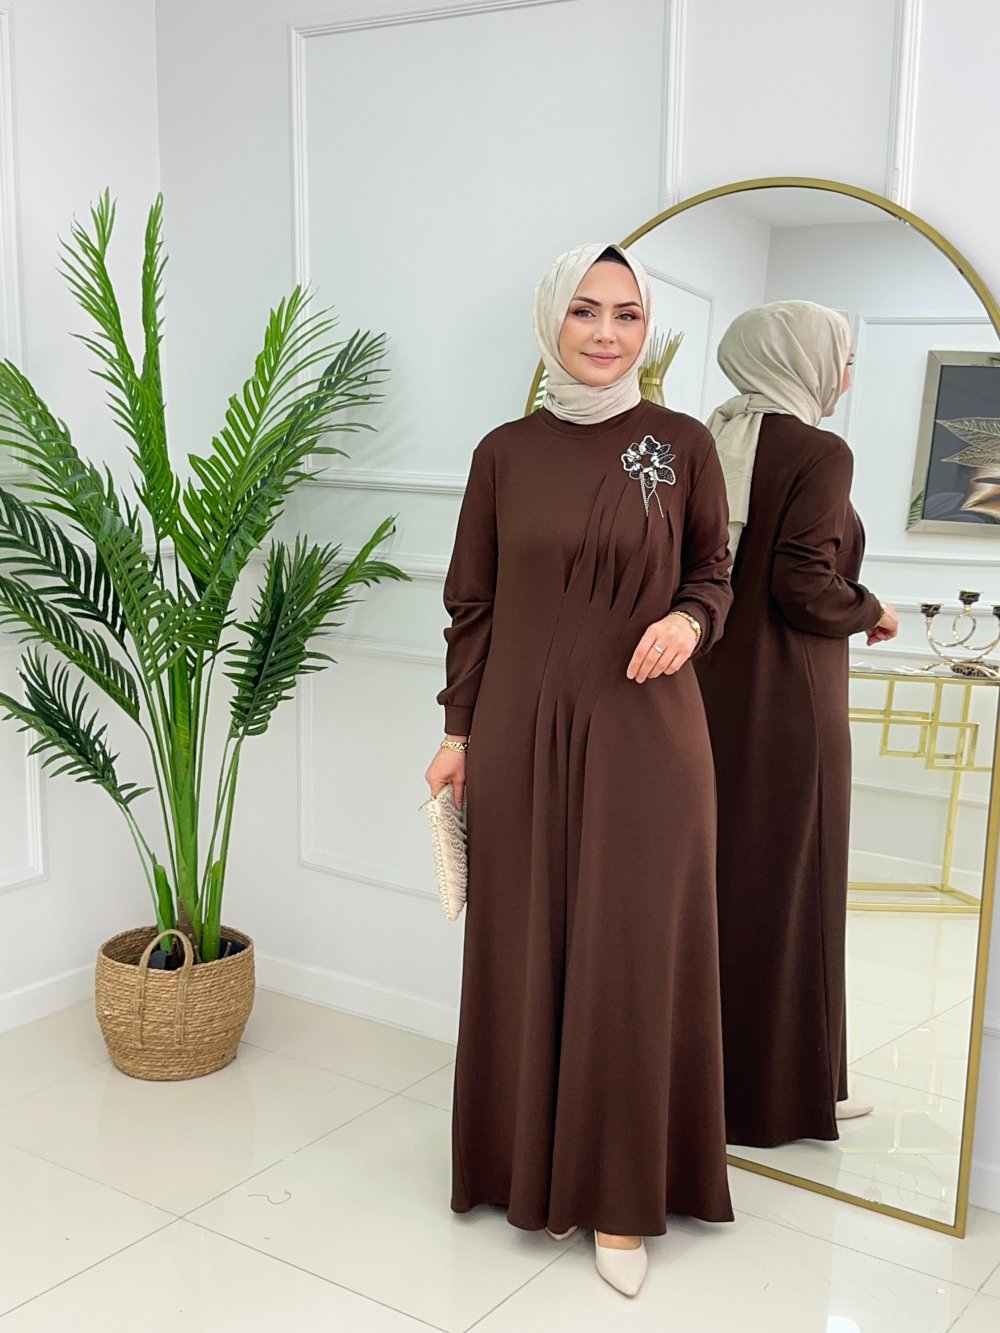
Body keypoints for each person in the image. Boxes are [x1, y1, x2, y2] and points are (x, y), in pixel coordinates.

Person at [424, 243, 734, 1298]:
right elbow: (472, 604)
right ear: (552, 319)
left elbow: (714, 570)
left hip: (647, 735)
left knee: (631, 953)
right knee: (523, 942)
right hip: (518, 734)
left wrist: (690, 622)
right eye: (586, 311)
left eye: (628, 315)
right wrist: (459, 733)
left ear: (647, 328)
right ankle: (516, 1164)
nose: (607, 333)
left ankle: (619, 1193)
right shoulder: (503, 452)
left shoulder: (683, 444)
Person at [695, 300, 899, 1150]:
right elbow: (803, 585)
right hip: (790, 701)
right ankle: (782, 1094)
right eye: (842, 358)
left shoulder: (706, 438)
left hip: (707, 694)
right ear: (803, 360)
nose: (846, 377)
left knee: (718, 886)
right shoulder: (819, 451)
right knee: (793, 890)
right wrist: (873, 608)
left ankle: (708, 1087)